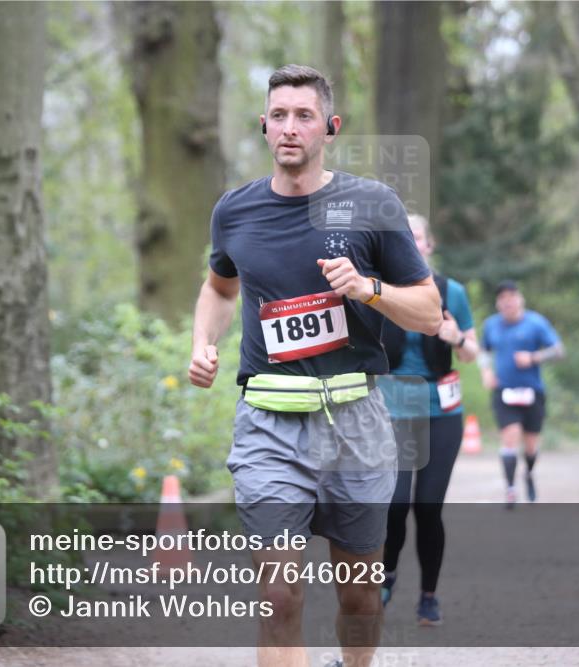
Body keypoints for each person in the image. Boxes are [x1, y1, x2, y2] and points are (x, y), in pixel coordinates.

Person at [187, 64, 442, 667]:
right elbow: (220, 289)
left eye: (304, 116)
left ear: (330, 127)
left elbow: (429, 314)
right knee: (279, 595)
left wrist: (367, 289)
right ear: (264, 126)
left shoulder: (372, 203)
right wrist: (203, 343)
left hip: (355, 422)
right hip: (268, 426)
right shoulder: (236, 210)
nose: (290, 128)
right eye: (279, 116)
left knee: (358, 597)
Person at [378, 214, 478, 627]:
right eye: (403, 237)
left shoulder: (451, 292)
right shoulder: (378, 290)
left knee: (428, 507)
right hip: (394, 412)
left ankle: (428, 595)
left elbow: (472, 352)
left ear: (429, 245)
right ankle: (387, 574)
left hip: (441, 413)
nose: (411, 243)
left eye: (416, 237)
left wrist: (457, 338)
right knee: (394, 505)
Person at [479, 280, 564, 509]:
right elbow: (484, 351)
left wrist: (534, 358)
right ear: (498, 303)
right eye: (502, 298)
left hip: (532, 391)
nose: (507, 302)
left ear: (520, 299)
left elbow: (558, 350)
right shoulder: (491, 325)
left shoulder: (536, 323)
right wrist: (486, 372)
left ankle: (529, 473)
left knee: (531, 445)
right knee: (510, 435)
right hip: (504, 391)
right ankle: (510, 489)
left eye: (512, 297)